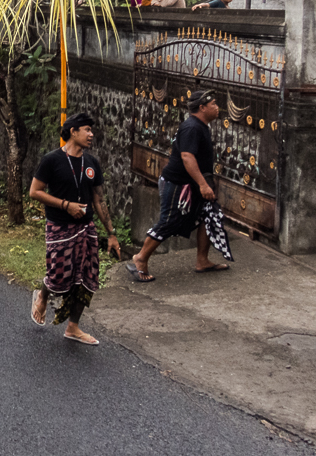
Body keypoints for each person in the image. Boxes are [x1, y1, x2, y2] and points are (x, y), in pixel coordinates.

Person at [27, 113, 121, 345]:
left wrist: (111, 234)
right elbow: (34, 192)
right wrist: (66, 206)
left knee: (87, 279)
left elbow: (98, 200)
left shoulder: (92, 163)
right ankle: (43, 296)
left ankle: (73, 327)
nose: (91, 135)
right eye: (87, 130)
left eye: (92, 130)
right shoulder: (52, 160)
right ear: (73, 131)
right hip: (59, 227)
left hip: (86, 229)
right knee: (59, 276)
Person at [128, 90, 232, 281]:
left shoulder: (201, 126)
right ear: (202, 107)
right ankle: (140, 258)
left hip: (193, 183)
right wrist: (202, 184)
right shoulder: (192, 127)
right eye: (214, 104)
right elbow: (187, 156)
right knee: (169, 221)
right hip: (178, 184)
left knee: (206, 216)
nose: (218, 108)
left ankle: (202, 261)